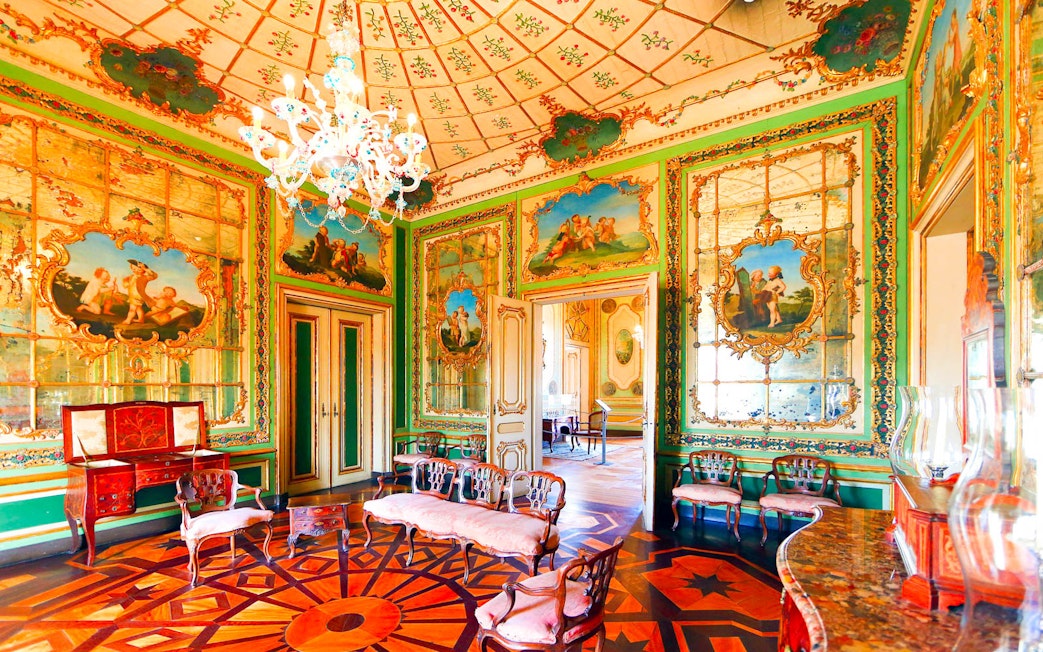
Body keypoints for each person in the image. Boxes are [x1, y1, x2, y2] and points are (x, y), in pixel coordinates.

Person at [121, 259, 157, 325]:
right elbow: (126, 285)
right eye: (134, 269)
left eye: (139, 269)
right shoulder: (131, 276)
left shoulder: (145, 277)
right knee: (138, 308)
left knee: (132, 309)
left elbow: (154, 276)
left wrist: (146, 269)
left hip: (138, 295)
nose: (136, 270)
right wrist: (125, 281)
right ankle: (141, 319)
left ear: (143, 270)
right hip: (132, 295)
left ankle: (128, 320)